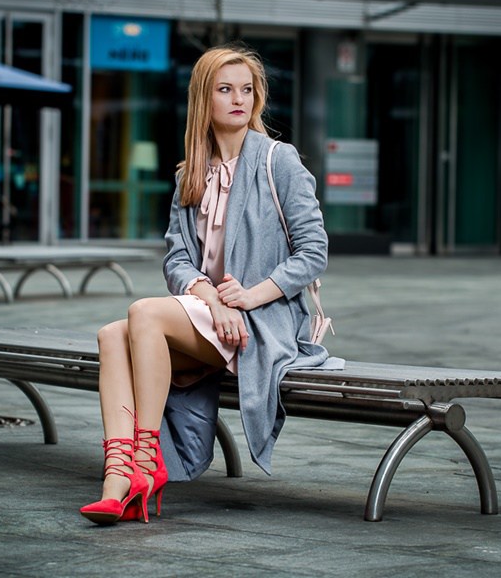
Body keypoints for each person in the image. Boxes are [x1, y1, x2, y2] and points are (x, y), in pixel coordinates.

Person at [80, 43, 342, 525]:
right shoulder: (190, 175)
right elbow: (177, 258)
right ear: (205, 98)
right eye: (225, 89)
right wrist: (212, 300)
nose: (238, 99)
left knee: (142, 313)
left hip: (264, 321)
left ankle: (143, 461)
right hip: (212, 317)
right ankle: (119, 479)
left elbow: (314, 251)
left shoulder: (278, 161)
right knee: (111, 336)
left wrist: (248, 296)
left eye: (247, 89)